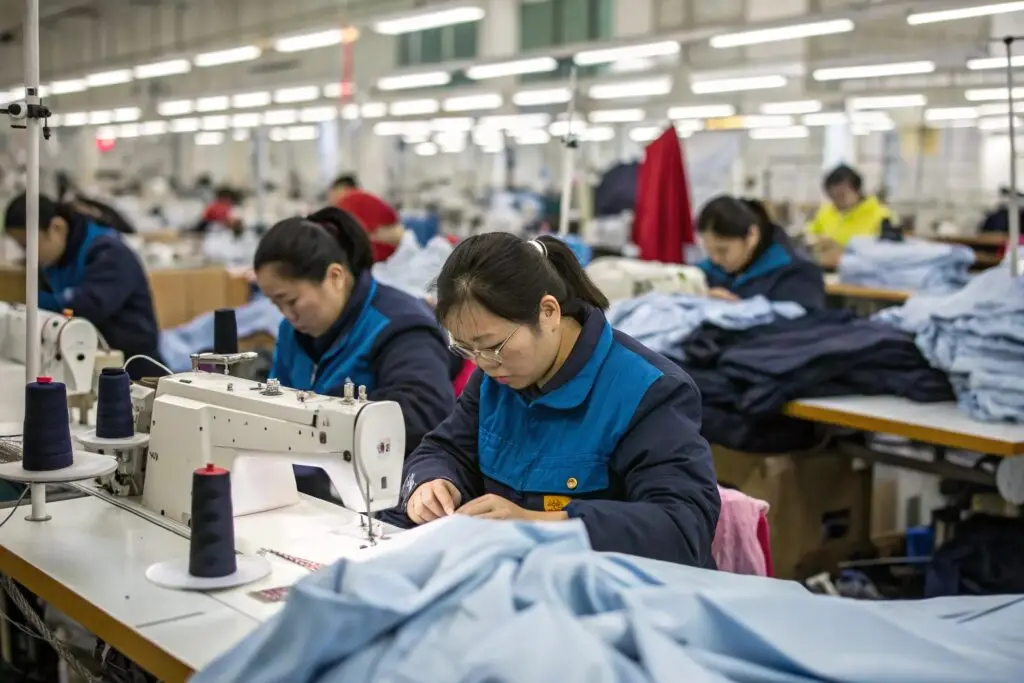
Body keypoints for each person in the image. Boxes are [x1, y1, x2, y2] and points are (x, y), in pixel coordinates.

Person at [386, 233, 721, 567]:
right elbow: (445, 449)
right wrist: (431, 482)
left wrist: (540, 524)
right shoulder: (496, 375)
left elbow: (682, 527)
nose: (482, 363)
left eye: (492, 346)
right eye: (466, 349)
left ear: (548, 312)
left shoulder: (649, 391)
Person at [254, 206, 455, 501]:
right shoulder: (292, 332)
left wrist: (327, 413)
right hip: (308, 482)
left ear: (335, 276)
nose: (286, 315)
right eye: (276, 305)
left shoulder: (400, 326)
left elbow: (427, 411)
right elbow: (272, 406)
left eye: (291, 300)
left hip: (384, 490)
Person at [3, 193, 162, 379]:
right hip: (82, 366)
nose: (27, 255)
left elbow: (87, 307)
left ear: (56, 227)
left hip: (134, 371)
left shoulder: (110, 253)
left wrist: (26, 302)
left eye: (27, 246)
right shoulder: (52, 262)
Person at [695, 195, 825, 310]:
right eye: (709, 251)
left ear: (752, 236)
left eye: (722, 250)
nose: (716, 259)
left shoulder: (798, 276)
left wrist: (738, 311)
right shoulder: (705, 272)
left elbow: (801, 327)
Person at [806, 165, 891, 262]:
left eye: (841, 195)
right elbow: (811, 233)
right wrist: (816, 241)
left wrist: (843, 252)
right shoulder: (826, 212)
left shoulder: (881, 215)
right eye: (832, 196)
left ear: (857, 190)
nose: (836, 201)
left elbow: (886, 254)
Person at [327, 174, 405, 263]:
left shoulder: (349, 200)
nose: (330, 199)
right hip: (394, 253)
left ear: (341, 189)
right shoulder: (365, 199)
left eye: (331, 194)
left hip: (382, 254)